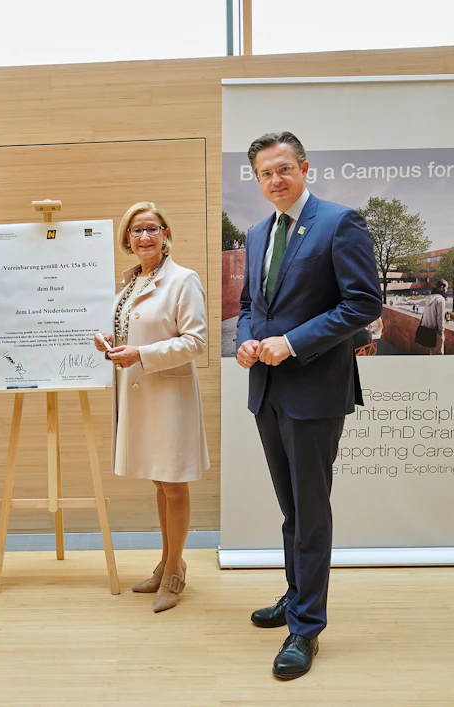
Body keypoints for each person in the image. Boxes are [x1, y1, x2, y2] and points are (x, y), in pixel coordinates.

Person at [235, 132, 381, 679]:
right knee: (292, 509)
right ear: (257, 178)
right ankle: (296, 596)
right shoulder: (257, 233)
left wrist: (292, 342)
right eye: (265, 173)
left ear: (304, 168)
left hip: (315, 390)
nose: (275, 179)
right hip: (267, 389)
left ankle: (306, 629)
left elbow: (363, 303)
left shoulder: (339, 223)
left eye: (284, 169)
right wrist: (245, 341)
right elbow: (248, 305)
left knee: (312, 513)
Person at [94, 201, 209, 614]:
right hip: (141, 394)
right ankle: (166, 561)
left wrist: (140, 353)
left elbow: (196, 341)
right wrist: (111, 341)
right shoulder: (130, 282)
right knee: (160, 483)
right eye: (136, 230)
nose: (144, 236)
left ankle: (175, 571)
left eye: (152, 228)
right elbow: (134, 329)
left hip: (169, 398)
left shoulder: (183, 279)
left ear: (165, 234)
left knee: (174, 484)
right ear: (127, 238)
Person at [420, 281, 447, 355]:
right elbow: (440, 318)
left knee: (432, 353)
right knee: (438, 355)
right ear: (442, 287)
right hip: (436, 332)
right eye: (446, 288)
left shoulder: (429, 297)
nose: (446, 290)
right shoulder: (440, 300)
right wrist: (441, 333)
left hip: (428, 331)